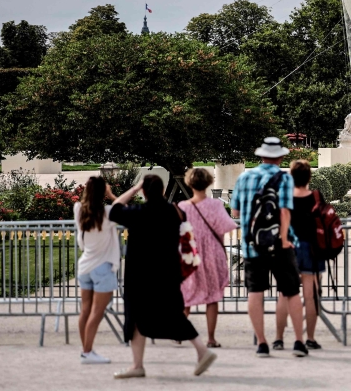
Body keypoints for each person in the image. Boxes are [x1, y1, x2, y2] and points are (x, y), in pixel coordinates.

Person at [108, 175, 217, 379]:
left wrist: (133, 189)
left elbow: (114, 209)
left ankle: (137, 364)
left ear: (144, 191)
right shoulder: (174, 211)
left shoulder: (139, 213)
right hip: (168, 274)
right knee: (173, 314)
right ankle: (202, 350)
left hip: (140, 276)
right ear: (163, 189)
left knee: (135, 317)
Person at [230, 137, 307, 357]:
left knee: (255, 292)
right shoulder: (284, 178)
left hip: (253, 245)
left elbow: (235, 212)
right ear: (281, 157)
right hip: (279, 245)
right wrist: (283, 239)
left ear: (261, 155)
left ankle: (262, 343)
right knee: (291, 292)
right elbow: (284, 211)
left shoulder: (244, 177)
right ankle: (299, 342)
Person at [178, 167, 237, 349]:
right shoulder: (216, 205)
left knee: (186, 296)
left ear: (189, 183)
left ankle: (179, 332)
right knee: (212, 297)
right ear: (209, 183)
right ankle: (211, 338)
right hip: (212, 253)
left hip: (190, 255)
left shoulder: (182, 207)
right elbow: (224, 227)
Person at [273, 160, 329, 350]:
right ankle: (310, 338)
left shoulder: (285, 197)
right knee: (310, 296)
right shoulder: (316, 196)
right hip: (312, 249)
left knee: (284, 294)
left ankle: (279, 338)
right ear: (309, 177)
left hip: (289, 247)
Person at [74, 176, 121, 364]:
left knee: (85, 311)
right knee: (97, 312)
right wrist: (110, 194)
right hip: (103, 266)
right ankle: (87, 351)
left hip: (85, 265)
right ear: (102, 191)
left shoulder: (79, 209)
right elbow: (122, 209)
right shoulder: (107, 212)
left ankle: (86, 349)